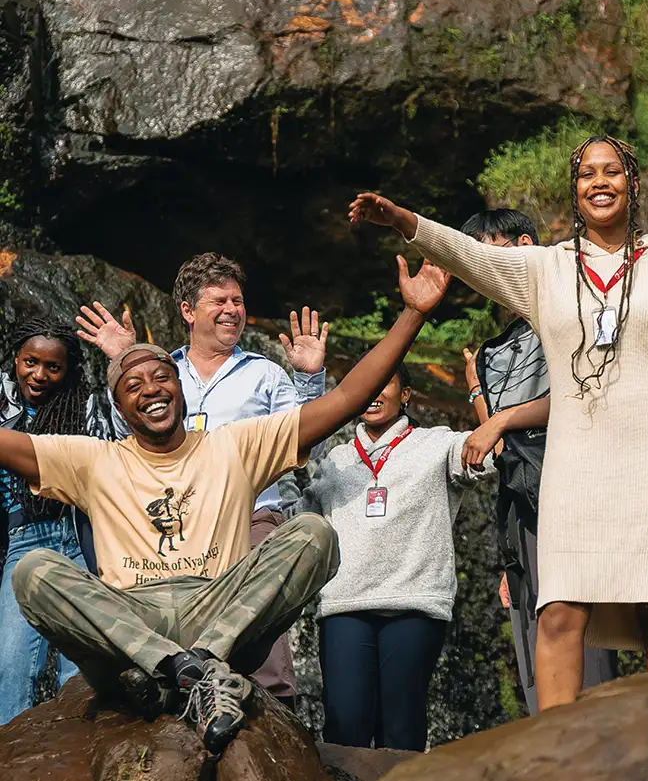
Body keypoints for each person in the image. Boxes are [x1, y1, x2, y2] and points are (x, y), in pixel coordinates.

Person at [349, 134, 648, 710]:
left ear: (632, 184)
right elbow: (473, 256)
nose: (600, 182)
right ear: (575, 191)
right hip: (576, 465)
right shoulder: (546, 268)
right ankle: (555, 758)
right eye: (587, 174)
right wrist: (404, 221)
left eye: (612, 171)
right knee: (560, 611)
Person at [6, 255, 449, 752]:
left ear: (181, 387)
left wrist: (413, 314)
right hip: (128, 612)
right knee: (34, 570)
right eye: (133, 385)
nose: (151, 388)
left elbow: (346, 399)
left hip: (217, 606)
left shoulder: (234, 445)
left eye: (161, 378)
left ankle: (191, 663)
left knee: (314, 535)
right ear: (119, 407)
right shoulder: (93, 459)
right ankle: (180, 669)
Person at [77, 251, 329, 704]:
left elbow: (303, 446)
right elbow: (123, 447)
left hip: (254, 520)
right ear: (188, 311)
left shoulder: (266, 375)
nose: (233, 309)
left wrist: (309, 381)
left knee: (265, 652)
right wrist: (124, 361)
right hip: (169, 528)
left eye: (238, 299)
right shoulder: (159, 375)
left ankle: (275, 726)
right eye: (220, 300)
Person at [459, 208, 617, 714]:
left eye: (492, 251)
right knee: (531, 639)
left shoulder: (576, 312)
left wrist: (501, 419)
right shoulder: (492, 350)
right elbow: (497, 454)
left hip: (577, 492)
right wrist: (478, 396)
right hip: (522, 508)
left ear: (526, 245)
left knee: (581, 639)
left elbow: (583, 394)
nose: (485, 268)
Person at [299, 359, 495, 750]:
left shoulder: (437, 445)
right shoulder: (332, 460)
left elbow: (490, 454)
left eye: (385, 383)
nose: (373, 393)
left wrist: (478, 395)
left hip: (414, 603)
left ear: (405, 395)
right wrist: (307, 381)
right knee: (344, 729)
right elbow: (293, 492)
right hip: (346, 604)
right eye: (365, 383)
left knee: (401, 730)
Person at [0, 319, 116, 724]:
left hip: (81, 539)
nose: (39, 375)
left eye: (53, 367)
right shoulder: (0, 403)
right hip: (23, 540)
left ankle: (82, 754)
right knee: (10, 661)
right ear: (16, 357)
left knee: (80, 668)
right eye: (31, 362)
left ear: (68, 371)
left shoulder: (83, 405)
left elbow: (113, 460)